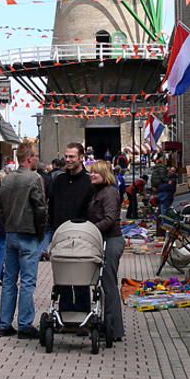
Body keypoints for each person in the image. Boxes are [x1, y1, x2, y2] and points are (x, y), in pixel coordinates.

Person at [0, 140, 47, 339]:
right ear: (29, 157)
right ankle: (25, 324)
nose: (37, 159)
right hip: (28, 234)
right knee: (27, 282)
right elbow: (40, 208)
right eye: (36, 156)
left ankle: (4, 323)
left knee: (9, 281)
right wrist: (40, 232)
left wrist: (7, 224)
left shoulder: (6, 179)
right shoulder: (33, 178)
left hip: (11, 234)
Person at [48, 142, 94, 313]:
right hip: (61, 234)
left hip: (82, 235)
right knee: (63, 278)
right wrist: (52, 225)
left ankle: (82, 315)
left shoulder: (89, 181)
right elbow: (51, 204)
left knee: (81, 278)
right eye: (66, 156)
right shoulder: (59, 180)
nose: (68, 160)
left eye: (72, 157)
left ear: (81, 158)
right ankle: (66, 315)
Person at [88, 160, 125, 341]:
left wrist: (91, 230)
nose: (92, 175)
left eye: (95, 172)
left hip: (111, 240)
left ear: (105, 174)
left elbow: (110, 218)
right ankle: (107, 323)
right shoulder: (100, 192)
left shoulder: (109, 192)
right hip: (104, 240)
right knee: (103, 284)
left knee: (108, 284)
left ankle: (114, 328)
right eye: (91, 172)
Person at [37, 161, 53, 260]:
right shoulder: (49, 179)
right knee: (47, 230)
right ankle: (43, 249)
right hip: (45, 205)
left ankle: (39, 250)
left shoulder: (34, 177)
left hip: (35, 206)